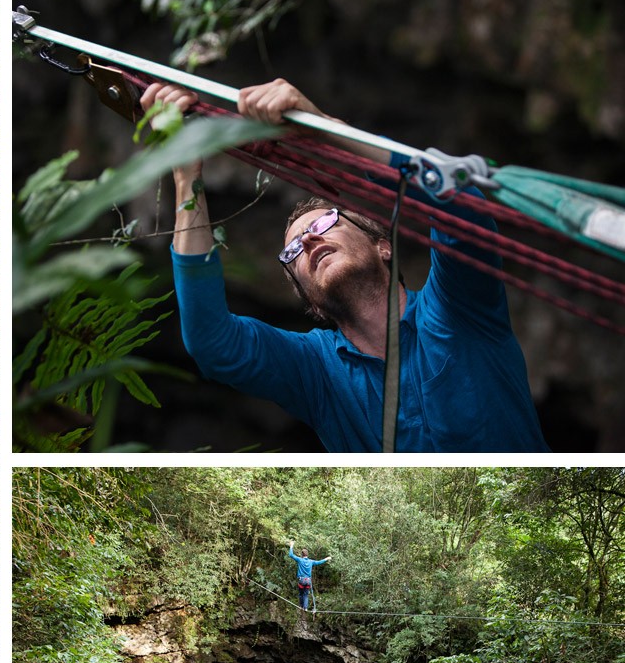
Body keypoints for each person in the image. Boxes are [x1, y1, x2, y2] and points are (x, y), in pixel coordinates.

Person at [140, 78, 549, 452]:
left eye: (324, 223)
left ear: (383, 246)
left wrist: (324, 128)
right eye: (293, 252)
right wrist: (185, 169)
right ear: (311, 303)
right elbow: (212, 342)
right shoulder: (315, 372)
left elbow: (457, 206)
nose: (309, 240)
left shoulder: (458, 308)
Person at [288, 541, 330, 612]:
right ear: (307, 555)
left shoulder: (300, 560)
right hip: (308, 581)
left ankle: (301, 607)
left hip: (301, 580)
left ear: (302, 555)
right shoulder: (311, 561)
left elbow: (291, 555)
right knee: (306, 595)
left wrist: (291, 545)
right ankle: (306, 608)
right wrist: (327, 558)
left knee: (301, 594)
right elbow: (319, 562)